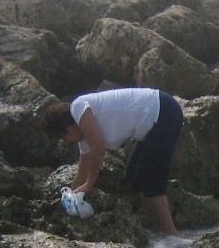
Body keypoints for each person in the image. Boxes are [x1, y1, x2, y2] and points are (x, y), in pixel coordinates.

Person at [42, 87, 185, 236]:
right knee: (133, 173)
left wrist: (89, 185)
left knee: (147, 175)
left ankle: (171, 233)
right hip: (152, 123)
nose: (65, 142)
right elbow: (82, 173)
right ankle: (158, 227)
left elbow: (98, 149)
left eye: (62, 137)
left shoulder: (78, 108)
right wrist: (71, 197)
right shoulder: (84, 136)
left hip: (164, 112)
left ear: (67, 126)